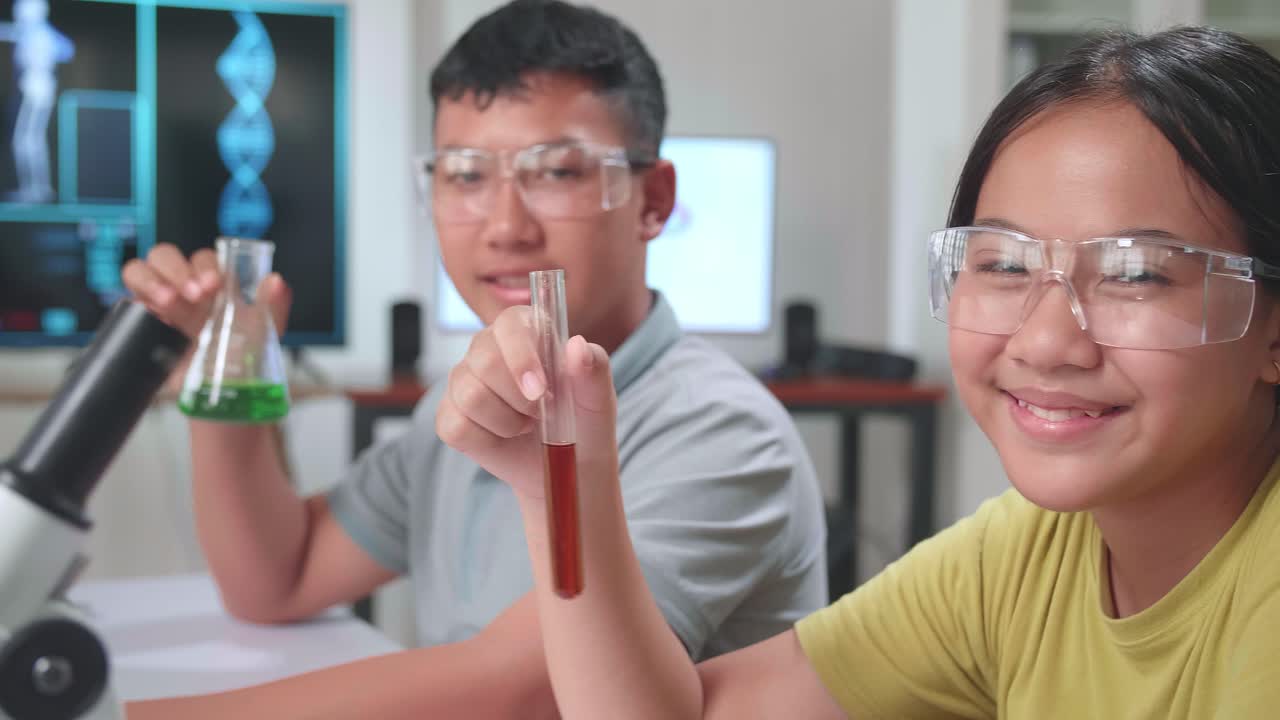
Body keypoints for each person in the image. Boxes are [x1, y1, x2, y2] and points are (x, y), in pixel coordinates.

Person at [473, 26, 1280, 719]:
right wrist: (561, 483)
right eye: (1000, 264)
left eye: (1136, 274)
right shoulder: (1026, 555)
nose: (1045, 342)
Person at [119, 1, 827, 717]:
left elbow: (522, 689)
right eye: (463, 175)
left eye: (557, 173)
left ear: (655, 200)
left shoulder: (720, 431)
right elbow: (279, 578)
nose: (505, 227)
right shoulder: (456, 410)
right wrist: (225, 374)